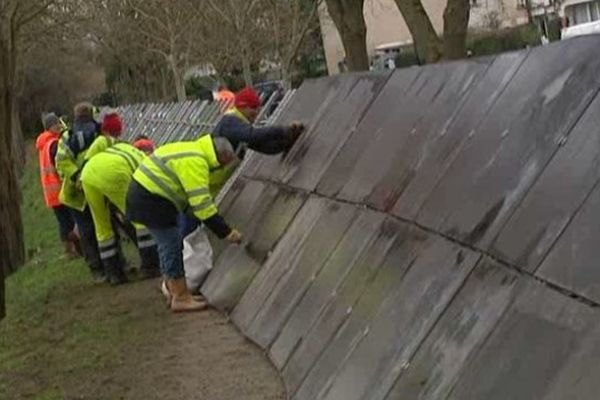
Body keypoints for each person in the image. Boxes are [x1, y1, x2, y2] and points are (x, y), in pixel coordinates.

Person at [126, 135, 242, 312]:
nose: (223, 168)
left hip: (145, 197)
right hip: (150, 200)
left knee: (168, 244)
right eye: (224, 163)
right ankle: (180, 297)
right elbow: (202, 206)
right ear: (220, 156)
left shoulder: (192, 150)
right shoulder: (197, 162)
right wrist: (227, 232)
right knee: (171, 245)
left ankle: (174, 291)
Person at [80, 113, 161, 285]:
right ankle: (151, 265)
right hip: (113, 171)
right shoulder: (142, 159)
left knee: (102, 227)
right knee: (139, 217)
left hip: (88, 175)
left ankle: (114, 273)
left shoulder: (123, 148)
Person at [55, 102, 105, 282]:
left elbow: (61, 161)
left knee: (87, 230)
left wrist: (76, 176)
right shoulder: (98, 131)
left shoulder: (67, 137)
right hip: (95, 186)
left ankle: (97, 268)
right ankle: (111, 264)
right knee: (103, 227)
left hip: (76, 192)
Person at [35, 112, 80, 258]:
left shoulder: (43, 143)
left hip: (50, 190)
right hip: (60, 188)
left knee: (62, 220)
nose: (59, 126)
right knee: (70, 220)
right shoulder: (54, 143)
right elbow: (60, 164)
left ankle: (69, 250)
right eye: (56, 124)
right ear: (50, 127)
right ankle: (76, 248)